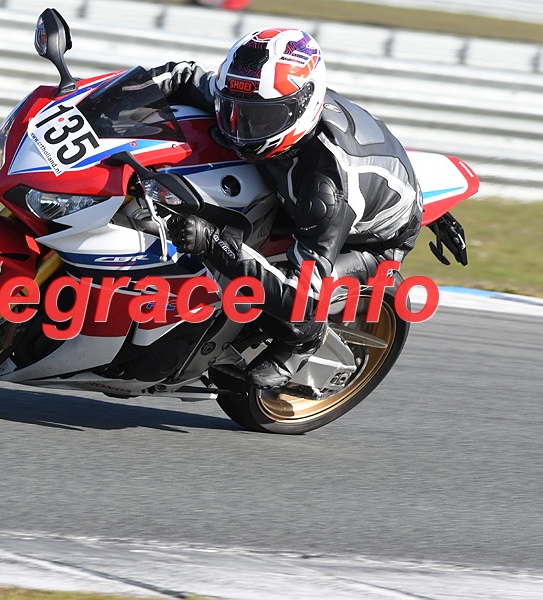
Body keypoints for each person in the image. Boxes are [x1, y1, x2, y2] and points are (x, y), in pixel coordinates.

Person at [148, 28, 424, 388]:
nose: (242, 126)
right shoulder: (250, 94)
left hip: (368, 240)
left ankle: (306, 339)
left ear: (302, 107)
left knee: (291, 304)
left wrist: (213, 243)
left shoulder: (325, 189)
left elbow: (301, 295)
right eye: (233, 109)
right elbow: (180, 75)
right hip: (304, 185)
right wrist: (88, 101)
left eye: (261, 118)